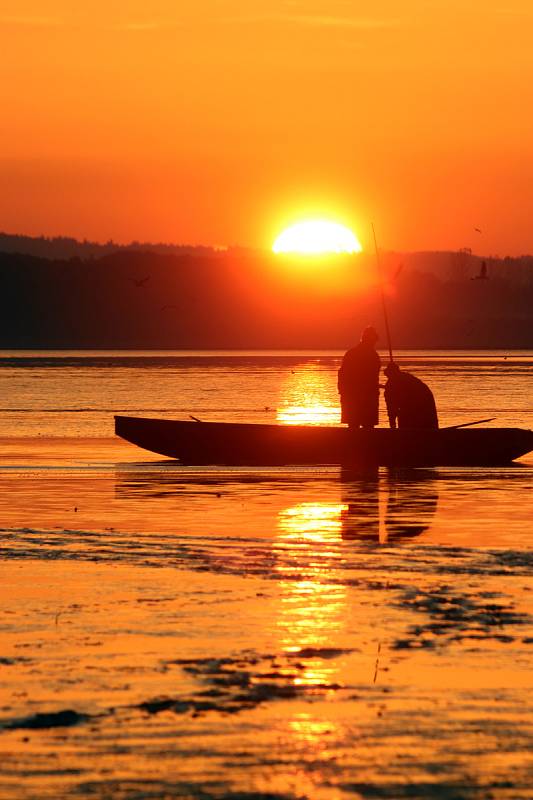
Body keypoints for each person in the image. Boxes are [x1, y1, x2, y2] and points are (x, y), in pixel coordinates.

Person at [338, 326, 381, 429]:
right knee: (367, 426)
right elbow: (373, 377)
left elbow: (342, 374)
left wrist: (342, 390)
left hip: (353, 396)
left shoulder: (351, 353)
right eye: (373, 341)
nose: (374, 343)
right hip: (363, 396)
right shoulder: (372, 355)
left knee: (353, 425)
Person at [384, 363, 438, 429]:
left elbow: (391, 408)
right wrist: (393, 426)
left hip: (421, 401)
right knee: (404, 417)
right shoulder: (396, 382)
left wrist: (392, 425)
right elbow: (392, 407)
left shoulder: (399, 382)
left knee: (406, 418)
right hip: (418, 400)